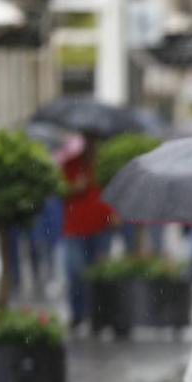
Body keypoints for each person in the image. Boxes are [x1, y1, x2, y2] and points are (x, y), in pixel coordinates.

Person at [61, 137, 115, 329]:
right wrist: (75, 187)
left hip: (101, 228)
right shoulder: (70, 165)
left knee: (98, 274)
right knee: (75, 272)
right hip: (75, 229)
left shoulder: (104, 165)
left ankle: (97, 316)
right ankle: (77, 314)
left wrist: (113, 215)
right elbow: (60, 190)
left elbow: (112, 193)